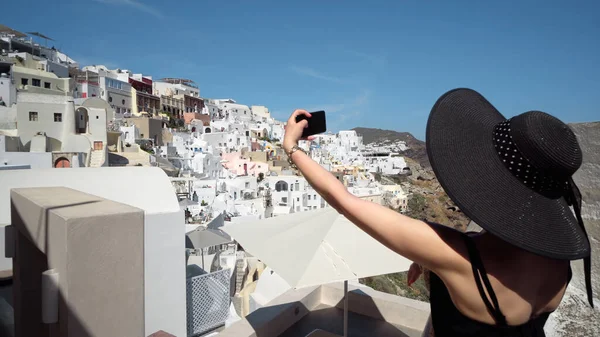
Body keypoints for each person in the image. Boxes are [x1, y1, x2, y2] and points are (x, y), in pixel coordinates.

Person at [282, 88, 593, 337]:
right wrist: (438, 252)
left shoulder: (458, 256)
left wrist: (291, 148)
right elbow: (505, 248)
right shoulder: (559, 262)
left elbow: (346, 201)